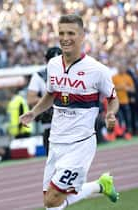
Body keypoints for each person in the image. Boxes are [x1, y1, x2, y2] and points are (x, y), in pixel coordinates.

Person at [19, 14, 120, 210]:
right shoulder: (53, 65)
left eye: (71, 33)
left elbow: (113, 98)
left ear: (82, 36)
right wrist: (33, 112)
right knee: (51, 203)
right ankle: (102, 185)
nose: (65, 38)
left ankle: (100, 185)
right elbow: (50, 94)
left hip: (80, 144)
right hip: (56, 141)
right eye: (62, 33)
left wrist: (110, 113)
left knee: (53, 198)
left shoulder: (98, 70)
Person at [27, 47, 62, 155]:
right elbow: (31, 99)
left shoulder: (71, 73)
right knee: (53, 161)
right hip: (50, 124)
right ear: (47, 62)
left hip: (70, 123)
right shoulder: (39, 76)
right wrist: (50, 101)